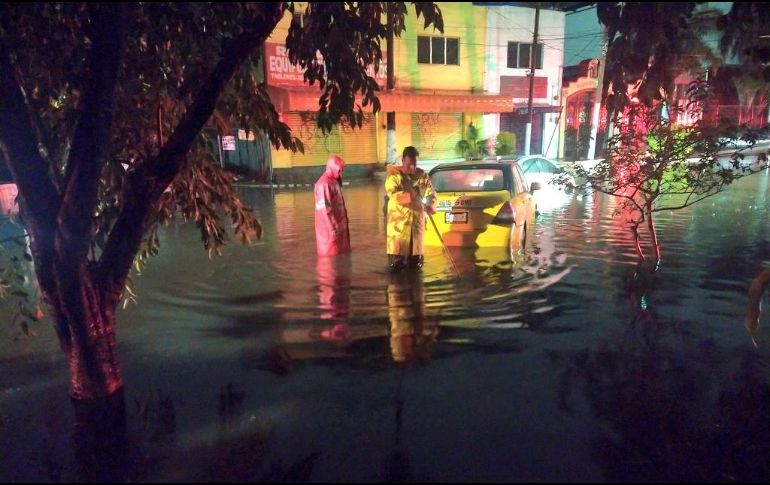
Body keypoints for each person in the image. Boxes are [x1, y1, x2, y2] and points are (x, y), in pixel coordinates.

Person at [385, 146, 437, 271]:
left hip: (416, 228)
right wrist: (410, 195)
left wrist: (430, 204)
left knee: (416, 266)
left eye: (414, 164)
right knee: (397, 268)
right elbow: (393, 196)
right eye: (409, 164)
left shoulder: (422, 175)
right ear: (402, 160)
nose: (412, 168)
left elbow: (431, 193)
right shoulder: (394, 177)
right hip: (399, 229)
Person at [314, 154, 350, 256]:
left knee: (340, 256)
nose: (341, 174)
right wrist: (332, 228)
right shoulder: (323, 184)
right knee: (331, 258)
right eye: (340, 170)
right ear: (334, 168)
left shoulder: (332, 181)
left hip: (338, 225)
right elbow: (325, 210)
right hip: (329, 229)